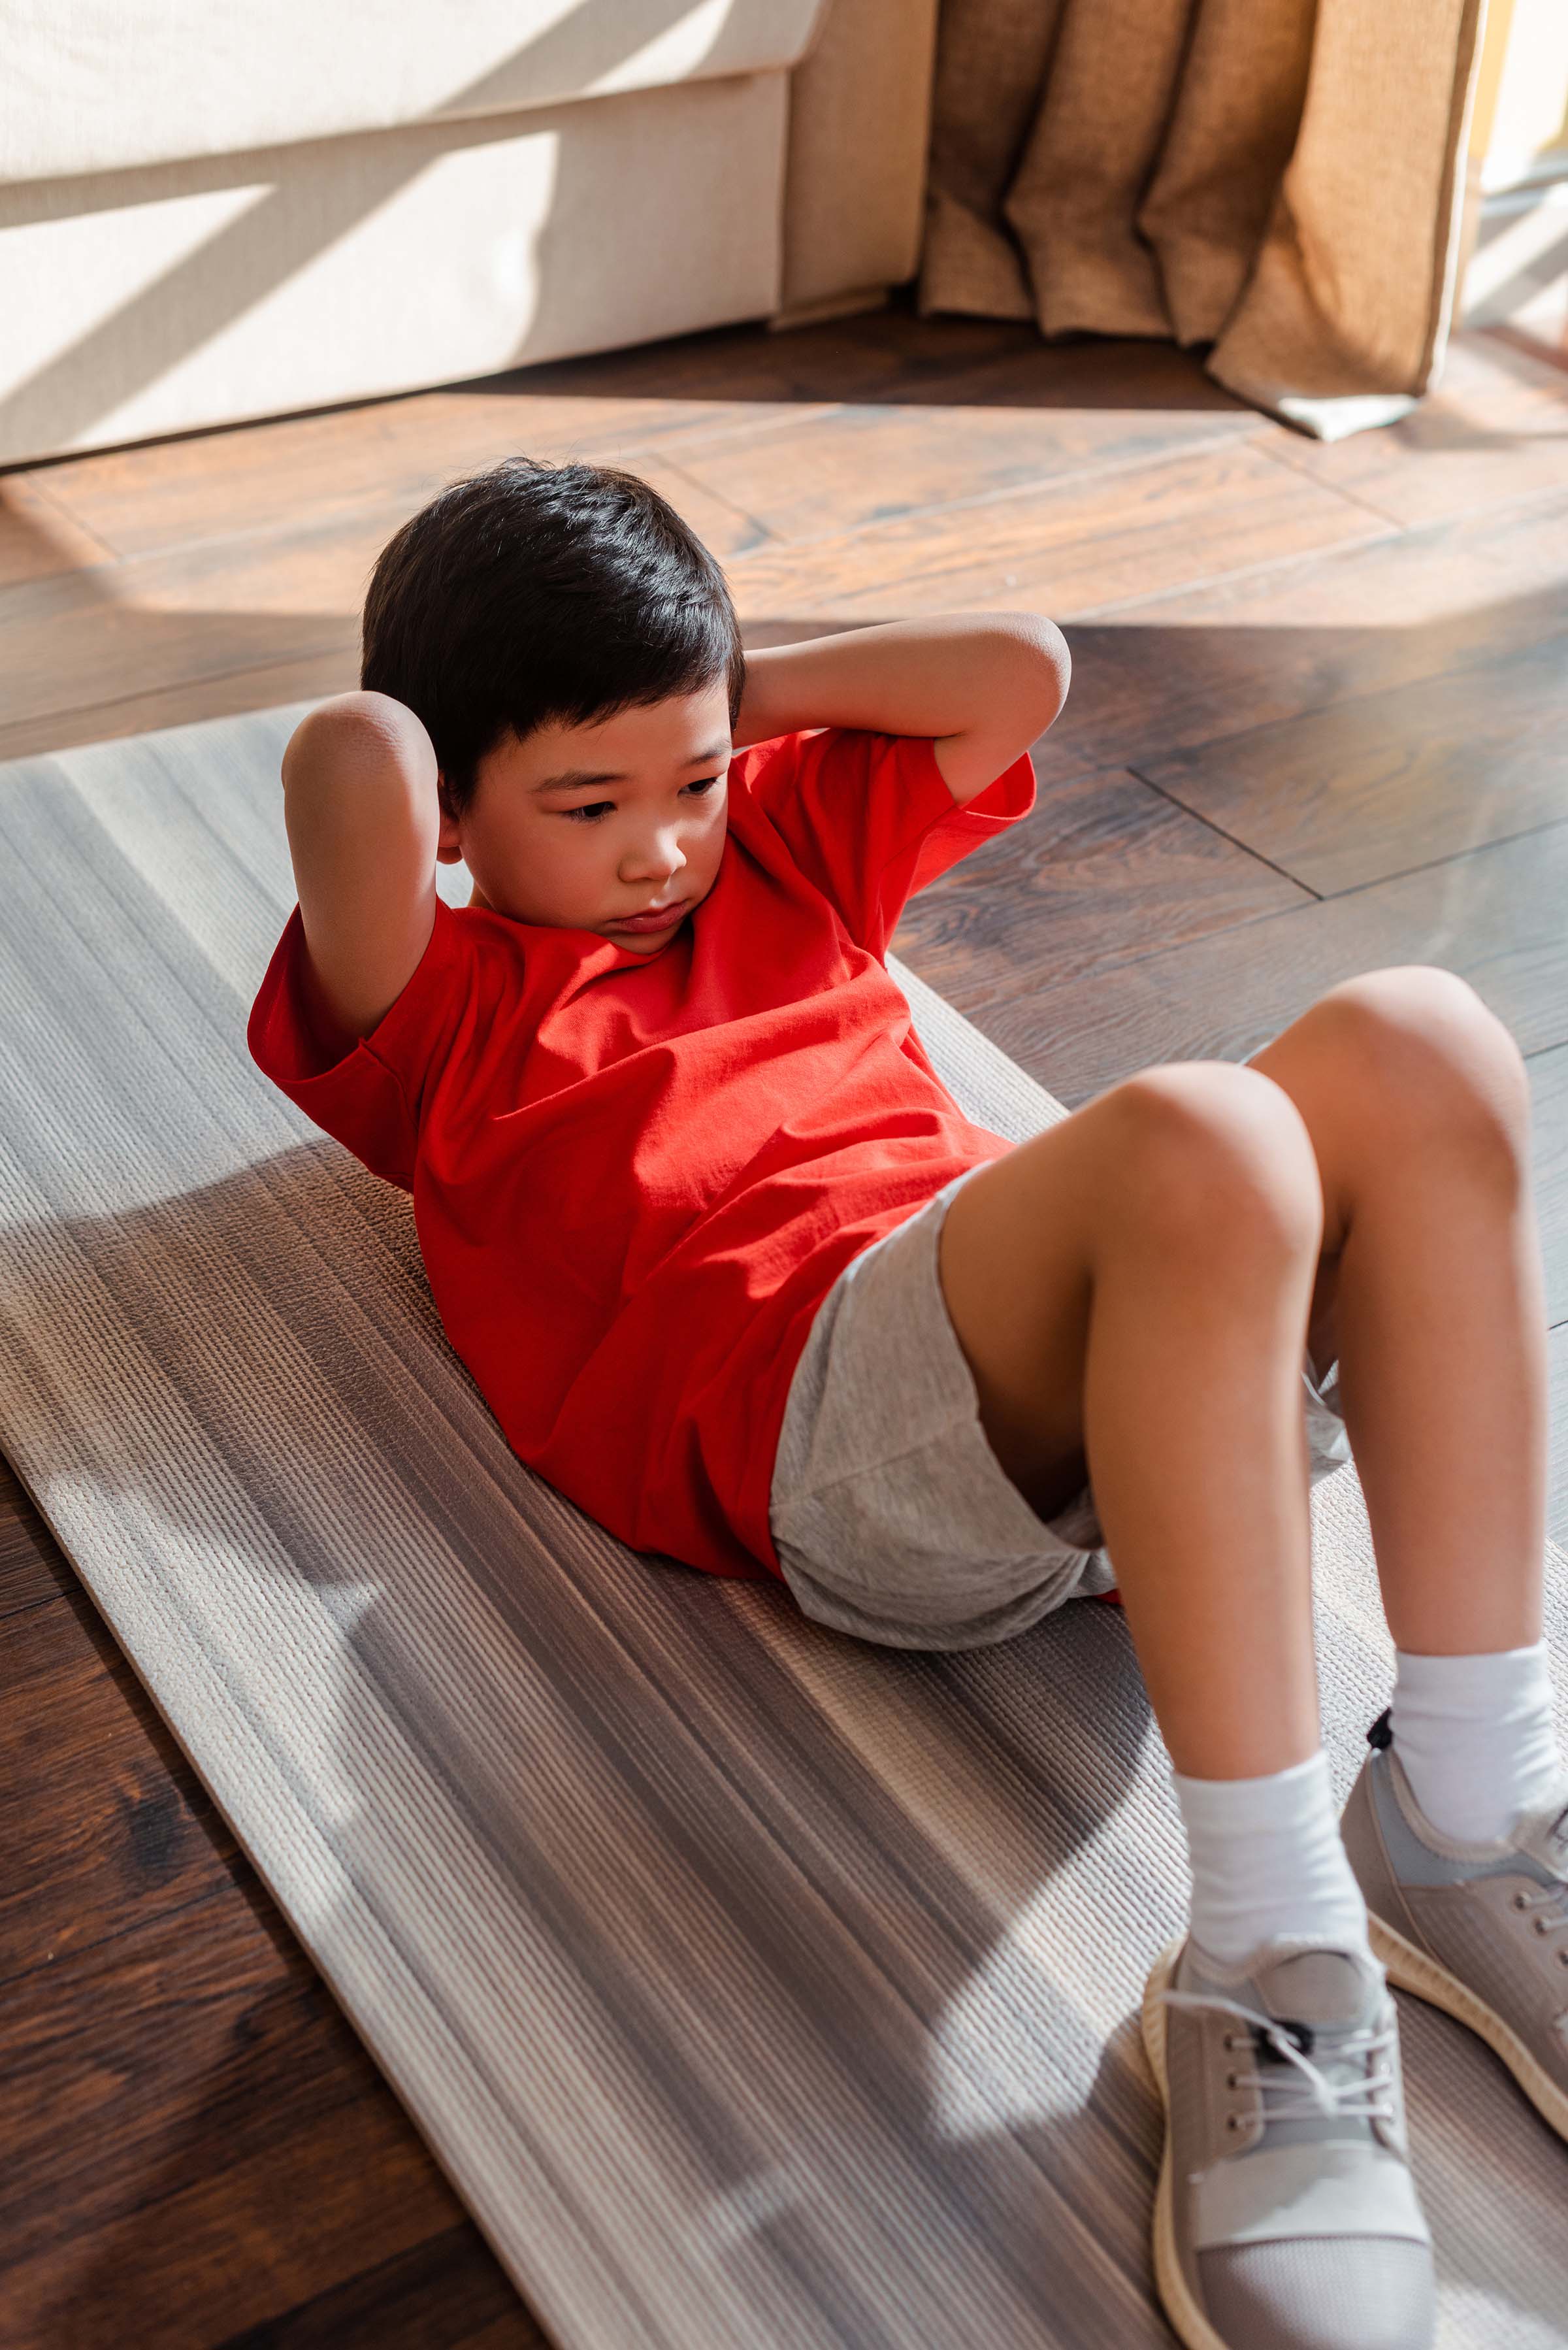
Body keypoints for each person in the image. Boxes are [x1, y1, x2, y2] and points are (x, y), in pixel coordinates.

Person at [249, 455, 1568, 2350]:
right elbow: (352, 763)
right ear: (462, 813)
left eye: (689, 785)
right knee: (1206, 1139)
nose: (660, 848)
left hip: (1064, 1370)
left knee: (1427, 1040)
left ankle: (1471, 1801)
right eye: (589, 802)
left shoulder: (777, 848)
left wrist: (717, 699)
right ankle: (1271, 1955)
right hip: (814, 1423)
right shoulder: (452, 1013)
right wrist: (504, 738)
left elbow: (1017, 669)